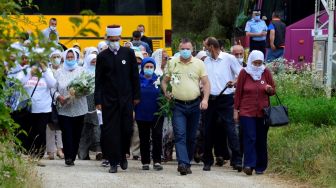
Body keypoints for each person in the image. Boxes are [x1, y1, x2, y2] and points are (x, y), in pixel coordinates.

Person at [95, 25, 140, 173]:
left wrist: (136, 96)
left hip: (126, 99)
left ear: (120, 38)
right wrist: (98, 100)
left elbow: (134, 77)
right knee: (110, 131)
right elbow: (99, 81)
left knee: (126, 129)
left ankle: (123, 155)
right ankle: (113, 162)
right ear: (108, 39)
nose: (114, 42)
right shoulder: (102, 57)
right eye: (111, 40)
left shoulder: (128, 53)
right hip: (109, 100)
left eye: (116, 39)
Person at [161, 38, 210, 175]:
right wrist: (166, 92)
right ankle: (183, 163)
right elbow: (164, 81)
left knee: (191, 136)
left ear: (192, 50)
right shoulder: (172, 63)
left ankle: (186, 160)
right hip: (178, 105)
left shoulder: (199, 64)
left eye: (188, 49)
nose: (185, 51)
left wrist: (205, 99)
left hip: (195, 105)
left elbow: (206, 83)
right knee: (180, 135)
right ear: (179, 49)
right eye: (183, 49)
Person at [202, 37, 243, 172]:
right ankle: (207, 160)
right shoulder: (206, 61)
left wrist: (234, 81)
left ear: (212, 47)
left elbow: (241, 74)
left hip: (225, 99)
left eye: (206, 47)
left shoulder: (229, 58)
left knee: (230, 129)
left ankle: (237, 160)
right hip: (210, 99)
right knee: (207, 130)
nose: (205, 50)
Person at [234, 50, 275, 175]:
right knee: (250, 138)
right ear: (251, 61)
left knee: (261, 139)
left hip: (263, 112)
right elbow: (238, 93)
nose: (257, 65)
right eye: (255, 63)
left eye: (259, 63)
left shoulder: (266, 72)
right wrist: (236, 110)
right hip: (247, 111)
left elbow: (273, 90)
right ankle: (249, 164)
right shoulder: (244, 73)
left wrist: (269, 89)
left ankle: (260, 166)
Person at [17, 50, 57, 158]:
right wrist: (30, 73)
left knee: (40, 131)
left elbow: (53, 84)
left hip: (44, 107)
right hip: (29, 107)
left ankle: (38, 155)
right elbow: (20, 83)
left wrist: (44, 70)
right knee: (29, 131)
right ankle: (29, 153)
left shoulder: (47, 70)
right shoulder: (27, 70)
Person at [52, 48, 88, 166]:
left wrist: (78, 92)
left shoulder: (82, 71)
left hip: (79, 107)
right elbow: (53, 88)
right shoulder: (59, 72)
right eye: (68, 57)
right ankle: (68, 157)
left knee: (76, 134)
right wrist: (58, 97)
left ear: (76, 58)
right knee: (66, 133)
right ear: (64, 58)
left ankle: (73, 156)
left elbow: (88, 88)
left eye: (72, 57)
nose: (70, 59)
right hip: (64, 108)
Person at [134, 57, 164, 171]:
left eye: (151, 67)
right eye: (147, 67)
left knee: (157, 136)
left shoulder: (159, 80)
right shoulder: (137, 80)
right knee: (144, 138)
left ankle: (157, 161)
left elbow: (164, 94)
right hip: (141, 114)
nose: (149, 69)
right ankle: (145, 161)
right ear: (142, 67)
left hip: (157, 113)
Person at [46, 50, 64, 160]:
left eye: (58, 56)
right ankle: (50, 150)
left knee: (60, 127)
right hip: (49, 101)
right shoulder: (47, 71)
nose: (56, 58)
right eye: (54, 56)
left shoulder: (63, 70)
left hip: (61, 101)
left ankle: (60, 149)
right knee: (50, 126)